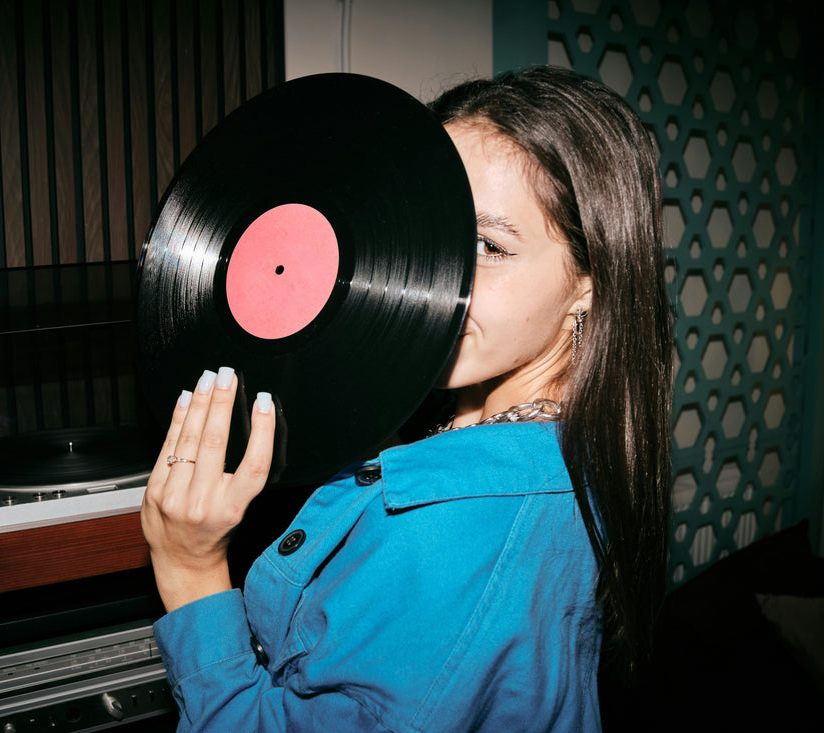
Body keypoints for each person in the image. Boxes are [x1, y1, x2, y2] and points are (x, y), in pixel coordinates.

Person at [140, 65, 673, 732]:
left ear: (590, 284)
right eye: (435, 226)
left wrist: (189, 567)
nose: (443, 269)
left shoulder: (454, 533)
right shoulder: (537, 434)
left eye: (488, 245)